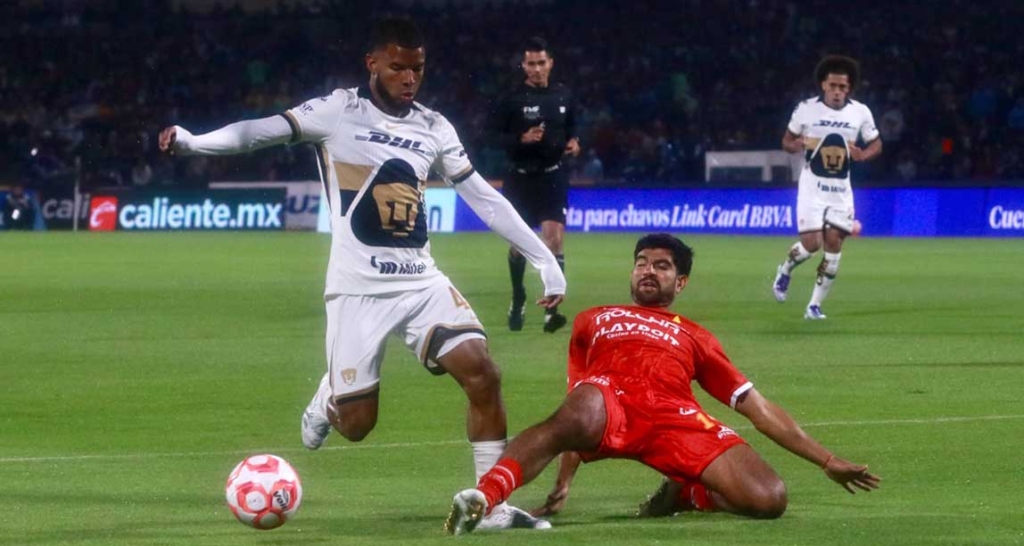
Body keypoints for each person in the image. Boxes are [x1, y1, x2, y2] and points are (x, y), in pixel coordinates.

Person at [158, 17, 565, 531]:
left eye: (417, 68)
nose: (409, 78)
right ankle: (328, 396)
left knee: (483, 373)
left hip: (421, 281)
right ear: (372, 63)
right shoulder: (338, 111)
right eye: (397, 67)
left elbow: (483, 196)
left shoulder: (434, 127)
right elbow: (259, 132)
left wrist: (544, 260)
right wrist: (193, 143)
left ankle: (491, 506)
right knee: (356, 426)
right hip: (358, 290)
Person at [445, 234, 880, 535]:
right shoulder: (594, 319)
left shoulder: (696, 336)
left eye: (661, 266)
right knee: (574, 411)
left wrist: (826, 461)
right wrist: (564, 480)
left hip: (675, 418)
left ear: (681, 281)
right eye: (641, 263)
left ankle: (688, 492)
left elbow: (757, 407)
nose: (648, 271)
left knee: (769, 498)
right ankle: (486, 497)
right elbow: (572, 412)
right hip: (610, 402)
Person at [773, 55, 882, 319]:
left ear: (849, 89)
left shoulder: (860, 112)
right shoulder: (806, 109)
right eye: (833, 85)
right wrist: (796, 145)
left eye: (842, 87)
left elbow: (876, 143)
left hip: (840, 191)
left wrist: (863, 155)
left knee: (834, 243)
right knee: (812, 244)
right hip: (812, 188)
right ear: (823, 84)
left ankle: (814, 306)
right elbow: (786, 141)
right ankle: (785, 270)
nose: (837, 91)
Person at [488, 37, 580, 333]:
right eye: (531, 63)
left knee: (554, 239)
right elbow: (491, 136)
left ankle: (552, 312)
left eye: (542, 62)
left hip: (552, 177)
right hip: (519, 179)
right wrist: (521, 138)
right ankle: (518, 297)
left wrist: (574, 142)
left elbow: (573, 128)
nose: (537, 68)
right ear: (524, 66)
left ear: (550, 63)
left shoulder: (564, 96)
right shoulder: (511, 98)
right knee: (519, 246)